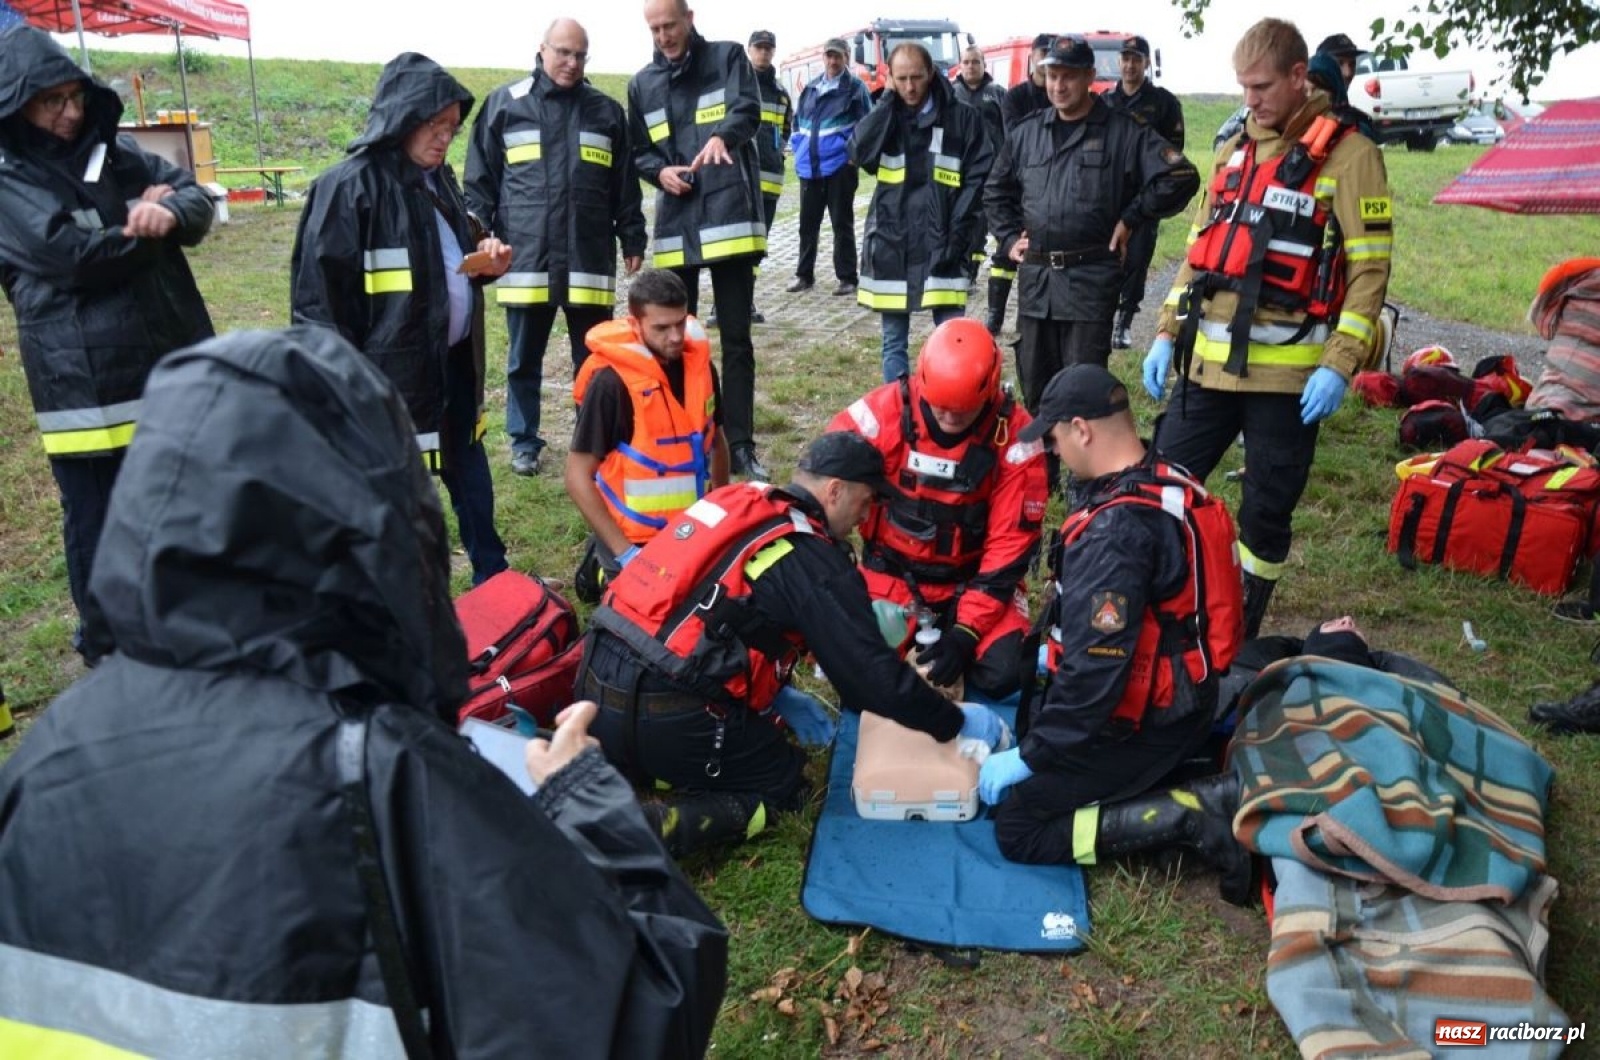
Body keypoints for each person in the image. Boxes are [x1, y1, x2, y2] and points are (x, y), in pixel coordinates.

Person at [0, 326, 728, 1057]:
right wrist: (587, 799)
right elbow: (645, 1018)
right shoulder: (384, 777)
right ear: (383, 522)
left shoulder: (49, 747)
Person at [580, 431, 1009, 857]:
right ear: (836, 491)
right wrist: (952, 723)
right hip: (668, 714)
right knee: (787, 784)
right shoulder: (814, 557)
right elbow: (871, 681)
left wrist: (779, 694)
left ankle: (649, 767)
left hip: (595, 687)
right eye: (865, 502)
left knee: (723, 732)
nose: (866, 518)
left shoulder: (735, 502)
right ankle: (663, 827)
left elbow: (707, 608)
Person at [1143, 18, 1393, 637]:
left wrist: (1339, 364)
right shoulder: (1235, 150)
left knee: (1265, 513)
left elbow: (1369, 273)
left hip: (1287, 382)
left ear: (1297, 77)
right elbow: (1200, 253)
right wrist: (1164, 331)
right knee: (1159, 483)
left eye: (1260, 87)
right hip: (1205, 366)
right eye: (1241, 87)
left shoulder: (1352, 155)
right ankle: (1155, 595)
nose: (1248, 100)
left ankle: (1240, 630)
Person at [977, 364, 1254, 906]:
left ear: (1082, 429)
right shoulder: (1165, 477)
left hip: (1146, 722)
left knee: (1018, 825)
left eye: (1054, 440)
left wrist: (1031, 757)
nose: (1054, 454)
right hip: (1185, 694)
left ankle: (1192, 815)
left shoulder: (1116, 532)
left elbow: (1095, 677)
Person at [0, 25, 214, 656]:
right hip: (81, 383)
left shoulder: (116, 154)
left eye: (74, 96)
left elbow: (195, 195)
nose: (69, 113)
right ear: (17, 105)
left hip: (162, 361)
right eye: (50, 101)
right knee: (97, 515)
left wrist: (173, 211)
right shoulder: (8, 176)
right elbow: (67, 255)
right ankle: (105, 642)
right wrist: (144, 225)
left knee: (173, 501)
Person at [291, 53, 511, 585]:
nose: (443, 139)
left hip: (453, 365)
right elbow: (318, 307)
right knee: (394, 498)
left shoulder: (440, 181)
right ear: (402, 117)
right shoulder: (346, 189)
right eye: (434, 126)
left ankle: (495, 577)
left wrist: (486, 259)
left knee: (471, 475)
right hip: (386, 382)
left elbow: (449, 261)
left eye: (451, 129)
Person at [465, 18, 646, 479]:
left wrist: (632, 235)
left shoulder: (606, 112)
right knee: (523, 358)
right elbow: (480, 182)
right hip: (526, 258)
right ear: (542, 49)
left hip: (587, 257)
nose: (571, 63)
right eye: (563, 52)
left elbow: (624, 185)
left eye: (580, 55)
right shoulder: (505, 105)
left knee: (595, 357)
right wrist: (480, 232)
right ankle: (524, 441)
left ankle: (594, 438)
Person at [828, 318, 1047, 698]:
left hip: (973, 581)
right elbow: (824, 490)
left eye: (960, 413)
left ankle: (953, 635)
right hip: (893, 577)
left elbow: (1009, 550)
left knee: (1005, 672)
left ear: (990, 392)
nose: (947, 420)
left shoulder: (1014, 438)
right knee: (854, 671)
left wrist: (966, 633)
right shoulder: (880, 417)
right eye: (939, 408)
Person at [983, 34, 1199, 412]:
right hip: (1037, 288)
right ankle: (1041, 470)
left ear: (1089, 77)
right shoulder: (1028, 133)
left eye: (1068, 76)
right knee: (1036, 393)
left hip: (1089, 284)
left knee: (1084, 398)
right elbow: (995, 190)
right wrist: (1005, 238)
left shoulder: (1122, 131)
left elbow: (1180, 176)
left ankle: (1088, 473)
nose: (1058, 85)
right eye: (1052, 76)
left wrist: (1133, 217)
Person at [631, 0, 770, 479]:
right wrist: (658, 171)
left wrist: (723, 137)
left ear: (689, 18)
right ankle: (679, 437)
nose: (663, 35)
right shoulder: (641, 84)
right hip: (677, 229)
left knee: (736, 339)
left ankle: (741, 444)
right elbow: (639, 151)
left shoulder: (729, 57)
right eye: (654, 28)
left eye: (670, 24)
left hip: (729, 219)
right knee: (673, 340)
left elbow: (748, 110)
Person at [566, 268, 730, 600]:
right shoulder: (611, 384)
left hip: (691, 530)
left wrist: (721, 513)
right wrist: (627, 555)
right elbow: (576, 477)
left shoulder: (701, 368)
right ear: (635, 322)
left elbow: (717, 439)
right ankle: (602, 564)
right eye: (661, 328)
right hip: (633, 540)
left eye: (680, 323)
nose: (674, 337)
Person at [852, 42, 994, 383]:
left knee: (951, 341)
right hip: (892, 238)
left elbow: (979, 179)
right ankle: (899, 416)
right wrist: (885, 101)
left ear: (931, 73)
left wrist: (958, 234)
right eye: (901, 79)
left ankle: (950, 410)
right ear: (890, 79)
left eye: (917, 77)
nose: (910, 87)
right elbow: (859, 152)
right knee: (893, 342)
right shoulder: (886, 114)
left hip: (944, 238)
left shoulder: (962, 117)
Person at [1101, 34, 1187, 351]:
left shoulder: (1163, 103)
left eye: (1136, 59)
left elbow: (1174, 150)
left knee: (1136, 260)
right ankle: (1105, 318)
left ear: (1146, 63)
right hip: (1112, 195)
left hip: (1145, 195)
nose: (1130, 65)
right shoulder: (1107, 103)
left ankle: (1124, 322)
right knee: (1108, 257)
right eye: (1125, 58)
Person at [787, 37, 871, 298]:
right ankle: (804, 275)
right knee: (807, 225)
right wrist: (799, 150)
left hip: (839, 167)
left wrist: (852, 158)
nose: (833, 61)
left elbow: (866, 126)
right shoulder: (811, 88)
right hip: (809, 168)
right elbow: (797, 124)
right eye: (829, 56)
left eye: (838, 56)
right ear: (823, 58)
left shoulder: (856, 89)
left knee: (841, 224)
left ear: (847, 57)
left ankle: (847, 278)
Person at [988, 32, 1057, 335]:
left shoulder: (1060, 94)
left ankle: (1036, 319)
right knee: (1005, 256)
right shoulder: (1015, 97)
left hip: (1052, 188)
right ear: (1033, 56)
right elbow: (1019, 140)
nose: (1047, 63)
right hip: (1018, 186)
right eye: (1043, 55)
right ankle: (994, 314)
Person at [951, 45, 1008, 294]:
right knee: (960, 221)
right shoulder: (951, 94)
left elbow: (1009, 132)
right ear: (960, 65)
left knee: (982, 225)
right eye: (966, 62)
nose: (971, 66)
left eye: (976, 62)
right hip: (959, 171)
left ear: (984, 65)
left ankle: (971, 274)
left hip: (992, 172)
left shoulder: (997, 94)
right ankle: (959, 271)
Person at [746, 29, 792, 324]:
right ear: (749, 50)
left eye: (768, 48)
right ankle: (722, 306)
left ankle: (746, 301)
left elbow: (784, 132)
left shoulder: (780, 95)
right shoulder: (736, 87)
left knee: (757, 247)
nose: (763, 53)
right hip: (740, 182)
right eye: (758, 48)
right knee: (734, 247)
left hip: (769, 183)